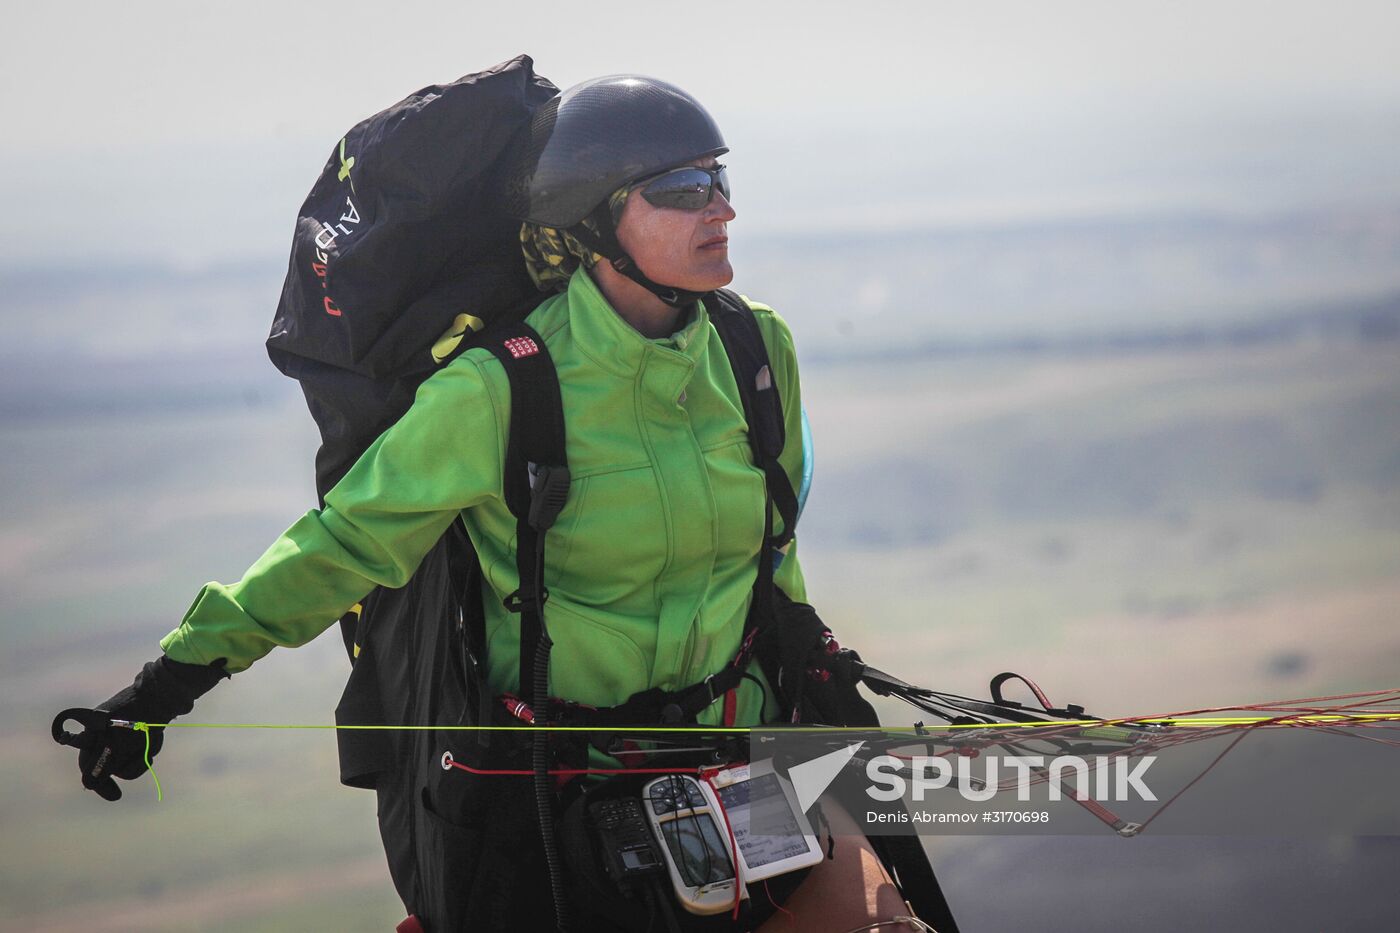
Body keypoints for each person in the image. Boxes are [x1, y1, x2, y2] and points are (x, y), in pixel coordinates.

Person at [66, 74, 929, 932]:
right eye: (681, 188)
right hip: (561, 817)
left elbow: (773, 553)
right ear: (592, 223)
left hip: (749, 778)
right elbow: (342, 546)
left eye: (721, 180)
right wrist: (166, 685)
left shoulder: (754, 349)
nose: (721, 210)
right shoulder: (502, 388)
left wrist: (811, 686)